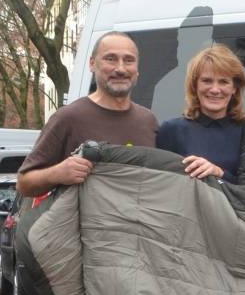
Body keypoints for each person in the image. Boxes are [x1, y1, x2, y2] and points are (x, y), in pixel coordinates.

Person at [17, 32, 158, 197]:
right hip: (87, 223)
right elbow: (23, 183)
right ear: (92, 64)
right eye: (110, 59)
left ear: (137, 69)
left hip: (140, 222)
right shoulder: (68, 118)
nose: (120, 69)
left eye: (129, 60)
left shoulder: (149, 121)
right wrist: (57, 173)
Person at [156, 43, 245, 181]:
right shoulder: (171, 130)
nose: (215, 89)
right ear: (195, 85)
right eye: (207, 81)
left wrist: (219, 173)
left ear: (235, 88)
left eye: (223, 82)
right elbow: (160, 183)